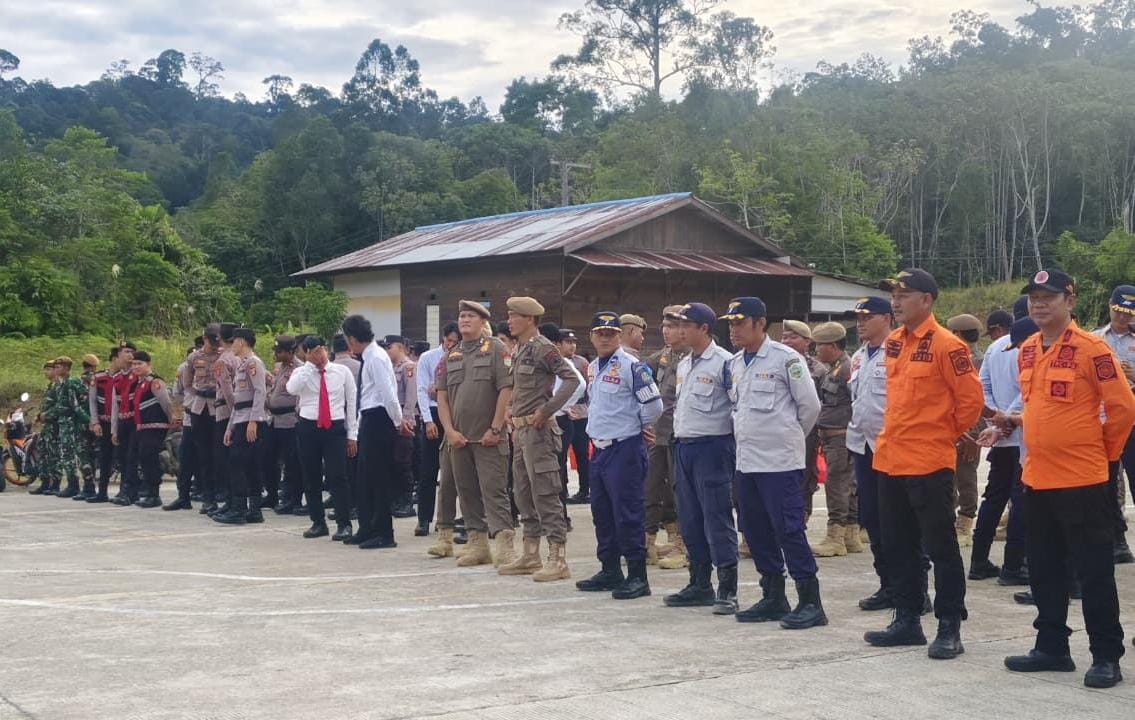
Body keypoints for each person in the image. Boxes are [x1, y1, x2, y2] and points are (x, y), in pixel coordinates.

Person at [1000, 269, 1135, 689]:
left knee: (1093, 571)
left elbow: (1124, 410)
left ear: (1070, 301)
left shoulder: (1092, 350)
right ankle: (1052, 647)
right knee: (1043, 569)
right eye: (1034, 299)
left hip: (1083, 480)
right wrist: (1013, 423)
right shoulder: (1026, 352)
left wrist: (1103, 457)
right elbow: (1041, 410)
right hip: (1037, 478)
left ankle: (1106, 655)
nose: (1039, 305)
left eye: (1049, 298)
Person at [865, 269, 984, 660]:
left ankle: (949, 624)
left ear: (927, 300)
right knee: (898, 544)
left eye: (905, 294)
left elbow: (971, 402)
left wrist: (940, 433)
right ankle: (907, 619)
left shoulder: (948, 345)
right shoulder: (895, 342)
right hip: (890, 459)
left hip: (929, 462)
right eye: (894, 294)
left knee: (940, 546)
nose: (896, 301)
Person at [721, 298, 826, 629]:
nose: (734, 329)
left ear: (760, 323)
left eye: (740, 322)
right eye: (731, 323)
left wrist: (787, 437)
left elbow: (809, 407)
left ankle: (810, 601)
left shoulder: (786, 359)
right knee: (754, 529)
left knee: (789, 529)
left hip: (779, 462)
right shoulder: (736, 363)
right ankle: (773, 595)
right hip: (747, 461)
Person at [575, 311, 662, 600]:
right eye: (599, 332)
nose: (604, 337)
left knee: (628, 513)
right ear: (591, 336)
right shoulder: (593, 367)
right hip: (599, 449)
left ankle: (638, 576)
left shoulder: (632, 366)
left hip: (624, 447)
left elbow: (653, 406)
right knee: (602, 512)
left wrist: (638, 427)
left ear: (619, 336)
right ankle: (610, 569)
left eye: (610, 333)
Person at [661, 302, 739, 615]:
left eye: (685, 325)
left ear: (703, 328)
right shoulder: (683, 364)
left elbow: (737, 407)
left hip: (713, 447)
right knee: (690, 517)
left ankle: (727, 588)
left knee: (717, 517)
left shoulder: (725, 363)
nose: (679, 331)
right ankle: (699, 582)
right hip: (684, 446)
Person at [501, 296, 583, 581]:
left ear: (529, 319)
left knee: (546, 494)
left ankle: (557, 558)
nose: (509, 320)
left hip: (540, 433)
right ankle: (531, 553)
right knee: (523, 493)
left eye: (514, 316)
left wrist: (547, 409)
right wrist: (511, 412)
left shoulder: (542, 348)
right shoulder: (520, 349)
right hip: (522, 432)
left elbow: (573, 380)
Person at [437, 301, 514, 566]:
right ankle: (478, 545)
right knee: (466, 492)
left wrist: (496, 428)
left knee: (494, 492)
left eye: (471, 316)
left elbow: (506, 389)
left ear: (483, 322)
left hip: (489, 438)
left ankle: (504, 545)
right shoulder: (452, 354)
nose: (464, 320)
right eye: (461, 316)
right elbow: (442, 397)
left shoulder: (496, 349)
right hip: (459, 439)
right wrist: (449, 431)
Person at [969, 315, 1032, 586]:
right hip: (1021, 436)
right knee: (1020, 502)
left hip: (1004, 434)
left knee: (994, 499)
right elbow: (1028, 389)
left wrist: (995, 419)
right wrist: (1006, 419)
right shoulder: (1032, 346)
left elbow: (982, 387)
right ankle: (1014, 566)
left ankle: (979, 561)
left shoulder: (996, 347)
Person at [845, 297, 898, 611]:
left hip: (892, 447)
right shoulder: (859, 357)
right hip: (863, 446)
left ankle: (914, 586)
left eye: (867, 316)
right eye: (858, 317)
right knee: (874, 520)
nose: (860, 322)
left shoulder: (899, 350)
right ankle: (887, 585)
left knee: (900, 522)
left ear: (887, 318)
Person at [286, 335, 358, 540]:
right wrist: (309, 365)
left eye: (320, 350)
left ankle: (344, 523)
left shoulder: (341, 372)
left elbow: (351, 402)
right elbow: (292, 389)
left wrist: (352, 434)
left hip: (335, 427)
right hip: (309, 426)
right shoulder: (302, 372)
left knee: (338, 476)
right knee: (311, 476)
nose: (318, 355)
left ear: (326, 349)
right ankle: (318, 522)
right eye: (312, 352)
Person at [345, 315, 407, 550]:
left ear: (352, 338)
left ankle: (384, 532)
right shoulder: (368, 356)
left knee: (379, 478)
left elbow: (387, 393)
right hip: (369, 419)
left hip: (381, 418)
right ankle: (367, 527)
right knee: (364, 479)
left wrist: (398, 422)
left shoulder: (377, 358)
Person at [810, 322, 861, 558]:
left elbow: (857, 402)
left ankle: (836, 537)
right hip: (832, 438)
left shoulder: (848, 369)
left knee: (837, 485)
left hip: (842, 438)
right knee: (844, 485)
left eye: (819, 345)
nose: (816, 349)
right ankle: (851, 535)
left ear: (832, 346)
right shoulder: (834, 369)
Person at [1093, 284, 1135, 565]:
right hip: (1102, 421)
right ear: (1110, 306)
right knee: (1106, 483)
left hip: (1132, 421)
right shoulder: (1093, 340)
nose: (1123, 317)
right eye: (1119, 310)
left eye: (1129, 312)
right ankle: (1116, 540)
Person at [647, 305, 688, 570]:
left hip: (681, 434)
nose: (666, 331)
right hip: (657, 433)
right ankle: (647, 540)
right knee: (650, 487)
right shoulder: (661, 357)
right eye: (664, 326)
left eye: (671, 327)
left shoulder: (694, 356)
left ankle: (684, 544)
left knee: (681, 490)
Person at [214, 328, 268, 524]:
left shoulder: (254, 363)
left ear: (242, 342)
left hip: (250, 421)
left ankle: (239, 509)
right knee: (248, 465)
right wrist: (230, 427)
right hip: (240, 419)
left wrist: (254, 420)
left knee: (238, 463)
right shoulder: (242, 365)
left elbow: (260, 392)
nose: (232, 345)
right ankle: (253, 510)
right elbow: (238, 401)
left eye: (234, 341)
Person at [780, 320, 827, 519]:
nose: (787, 341)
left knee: (805, 474)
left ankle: (802, 516)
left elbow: (818, 405)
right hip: (779, 430)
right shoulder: (776, 362)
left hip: (806, 430)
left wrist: (801, 430)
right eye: (785, 337)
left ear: (807, 341)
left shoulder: (817, 369)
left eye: (793, 337)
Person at [417, 323, 459, 540]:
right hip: (433, 415)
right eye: (449, 341)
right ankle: (423, 519)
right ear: (443, 338)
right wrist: (427, 420)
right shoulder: (428, 357)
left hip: (455, 416)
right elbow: (423, 390)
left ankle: (447, 520)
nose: (451, 345)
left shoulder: (462, 358)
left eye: (455, 342)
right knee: (428, 471)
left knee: (453, 473)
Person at [946, 313, 985, 548]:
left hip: (971, 425)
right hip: (952, 424)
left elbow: (976, 400)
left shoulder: (976, 361)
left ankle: (965, 522)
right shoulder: (957, 357)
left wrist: (971, 430)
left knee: (966, 474)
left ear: (958, 335)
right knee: (948, 474)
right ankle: (952, 519)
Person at [182, 325, 222, 514]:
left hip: (218, 407)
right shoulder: (193, 357)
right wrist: (196, 392)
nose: (215, 345)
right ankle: (209, 497)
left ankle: (224, 494)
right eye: (212, 341)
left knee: (219, 454)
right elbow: (186, 381)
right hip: (199, 407)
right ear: (205, 338)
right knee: (203, 454)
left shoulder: (223, 356)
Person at [126, 351, 172, 508]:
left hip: (155, 426)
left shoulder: (155, 382)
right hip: (142, 427)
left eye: (139, 364)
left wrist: (172, 421)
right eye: (133, 364)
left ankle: (155, 494)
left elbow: (166, 403)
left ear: (148, 364)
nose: (136, 367)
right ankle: (149, 492)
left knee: (150, 458)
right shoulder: (139, 384)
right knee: (143, 459)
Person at [263, 336, 303, 514]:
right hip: (274, 420)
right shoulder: (280, 368)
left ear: (290, 352)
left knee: (291, 462)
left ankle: (291, 499)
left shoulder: (299, 369)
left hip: (289, 421)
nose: (276, 354)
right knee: (269, 459)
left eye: (279, 351)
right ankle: (272, 495)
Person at [383, 335, 418, 520]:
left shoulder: (409, 367)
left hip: (404, 421)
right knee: (392, 461)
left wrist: (405, 420)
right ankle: (395, 498)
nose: (387, 351)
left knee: (403, 462)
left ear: (400, 347)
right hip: (391, 420)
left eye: (390, 347)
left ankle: (406, 500)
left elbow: (411, 397)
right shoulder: (390, 367)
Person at [557, 329, 592, 505]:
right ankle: (563, 489)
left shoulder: (581, 362)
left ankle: (585, 489)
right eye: (568, 342)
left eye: (574, 342)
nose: (572, 346)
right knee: (561, 455)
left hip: (580, 412)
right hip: (562, 413)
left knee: (582, 453)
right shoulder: (554, 362)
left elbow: (588, 387)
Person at [49, 357, 90, 499]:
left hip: (71, 424)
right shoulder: (62, 384)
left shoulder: (71, 383)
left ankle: (76, 485)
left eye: (58, 366)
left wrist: (88, 421)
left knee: (73, 455)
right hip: (64, 423)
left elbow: (76, 405)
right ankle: (73, 484)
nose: (56, 369)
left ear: (66, 368)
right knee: (66, 455)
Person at [163, 348, 197, 511]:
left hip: (212, 417)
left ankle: (210, 496)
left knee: (209, 459)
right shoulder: (185, 368)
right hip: (190, 418)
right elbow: (177, 394)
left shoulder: (218, 363)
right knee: (185, 457)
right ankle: (183, 496)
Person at [86, 349, 120, 503]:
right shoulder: (98, 377)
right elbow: (92, 401)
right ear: (114, 358)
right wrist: (95, 422)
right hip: (104, 423)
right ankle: (102, 492)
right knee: (104, 457)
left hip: (120, 423)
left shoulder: (125, 377)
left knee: (123, 457)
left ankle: (125, 491)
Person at [109, 345, 140, 505]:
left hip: (136, 422)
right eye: (125, 352)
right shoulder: (117, 379)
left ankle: (130, 490)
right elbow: (115, 406)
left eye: (131, 352)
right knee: (121, 457)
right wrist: (114, 430)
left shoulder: (138, 376)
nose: (129, 355)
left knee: (132, 457)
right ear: (118, 356)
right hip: (122, 421)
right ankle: (124, 489)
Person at [73, 354, 101, 501]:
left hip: (84, 424)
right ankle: (96, 487)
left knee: (84, 456)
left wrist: (87, 420)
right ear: (95, 366)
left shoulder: (77, 382)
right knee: (96, 454)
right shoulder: (98, 379)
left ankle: (89, 487)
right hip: (98, 423)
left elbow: (76, 406)